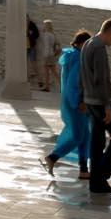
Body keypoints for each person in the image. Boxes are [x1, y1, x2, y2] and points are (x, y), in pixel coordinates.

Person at [80, 18, 111, 196]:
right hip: (100, 102)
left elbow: (81, 75)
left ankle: (96, 182)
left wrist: (81, 98)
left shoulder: (87, 44)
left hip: (90, 100)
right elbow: (101, 79)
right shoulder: (99, 47)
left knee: (97, 142)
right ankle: (100, 177)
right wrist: (107, 105)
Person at [44, 29, 93, 180]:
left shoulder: (72, 57)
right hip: (77, 104)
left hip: (73, 101)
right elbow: (73, 84)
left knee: (85, 136)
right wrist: (79, 102)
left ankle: (84, 170)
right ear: (79, 44)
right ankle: (53, 157)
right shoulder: (78, 59)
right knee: (78, 136)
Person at [39, 18, 59, 91]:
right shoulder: (52, 34)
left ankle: (47, 87)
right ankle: (48, 86)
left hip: (47, 55)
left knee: (47, 72)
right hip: (51, 54)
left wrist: (45, 55)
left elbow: (47, 46)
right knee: (53, 72)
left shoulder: (47, 35)